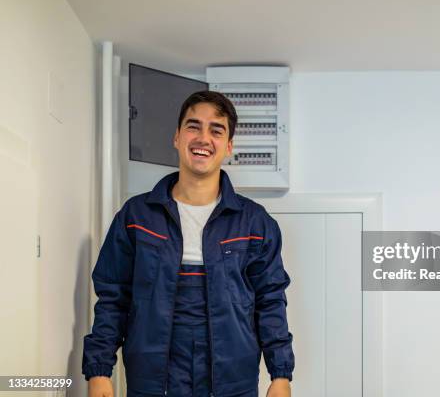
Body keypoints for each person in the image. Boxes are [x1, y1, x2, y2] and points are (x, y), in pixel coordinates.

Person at [82, 91, 294, 397]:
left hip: (232, 381)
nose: (203, 138)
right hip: (152, 381)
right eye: (193, 126)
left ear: (229, 146)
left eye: (216, 130)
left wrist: (281, 374)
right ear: (177, 137)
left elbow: (270, 300)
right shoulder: (136, 216)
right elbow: (113, 298)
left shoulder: (255, 224)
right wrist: (99, 370)